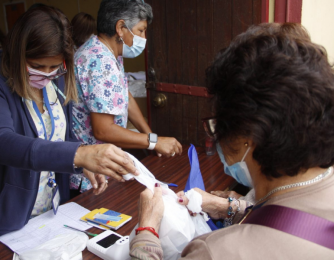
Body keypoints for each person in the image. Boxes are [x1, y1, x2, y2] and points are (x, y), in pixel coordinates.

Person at [129, 23, 334, 259]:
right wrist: (226, 208)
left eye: (217, 124)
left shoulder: (216, 251)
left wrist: (147, 231)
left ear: (247, 137)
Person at [0, 6, 138, 248]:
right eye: (38, 66)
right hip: (7, 222)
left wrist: (79, 163)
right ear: (18, 54)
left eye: (54, 67)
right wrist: (78, 154)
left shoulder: (56, 78)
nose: (47, 74)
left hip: (51, 214)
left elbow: (60, 133)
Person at [72, 0, 182, 193]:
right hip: (91, 176)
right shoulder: (99, 62)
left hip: (102, 167)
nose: (143, 37)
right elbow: (103, 130)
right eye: (140, 31)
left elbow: (125, 96)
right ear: (121, 28)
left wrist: (151, 139)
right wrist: (155, 142)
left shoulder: (110, 52)